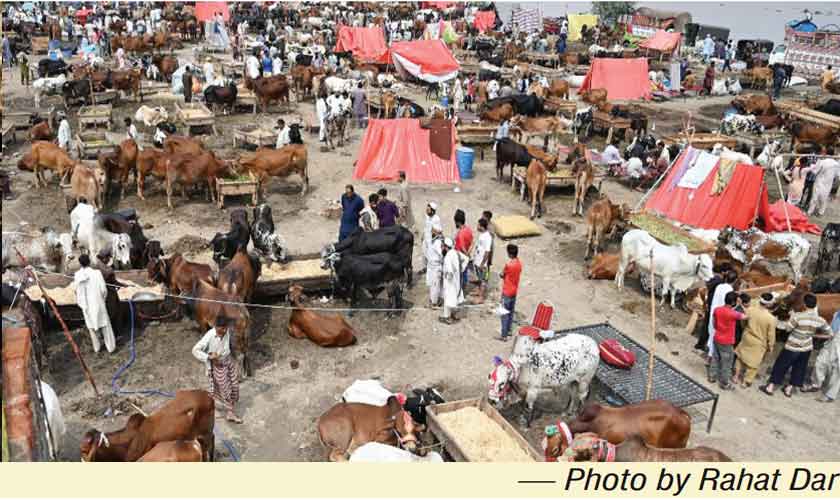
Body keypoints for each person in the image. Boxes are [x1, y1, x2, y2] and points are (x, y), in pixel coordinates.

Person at [762, 294, 832, 397]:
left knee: (781, 365)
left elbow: (788, 329)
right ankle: (789, 389)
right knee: (800, 368)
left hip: (792, 346)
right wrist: (814, 335)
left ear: (804, 304)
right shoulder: (820, 320)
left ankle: (770, 387)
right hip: (806, 347)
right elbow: (830, 334)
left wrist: (791, 317)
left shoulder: (798, 317)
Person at [192, 316, 243, 423]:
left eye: (225, 328)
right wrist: (208, 357)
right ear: (215, 327)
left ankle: (222, 405)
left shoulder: (226, 331)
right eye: (221, 329)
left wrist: (231, 357)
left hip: (228, 361)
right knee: (226, 390)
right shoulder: (209, 335)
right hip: (217, 366)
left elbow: (227, 347)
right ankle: (230, 413)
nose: (224, 331)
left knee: (235, 385)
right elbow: (195, 350)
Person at [74, 254, 116, 354]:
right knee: (105, 325)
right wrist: (102, 300)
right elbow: (103, 290)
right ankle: (111, 348)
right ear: (89, 262)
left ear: (80, 264)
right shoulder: (97, 273)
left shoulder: (77, 275)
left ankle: (97, 348)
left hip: (86, 305)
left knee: (91, 328)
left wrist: (82, 303)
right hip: (98, 303)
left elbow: (76, 291)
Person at [733, 294, 777, 388]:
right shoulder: (771, 318)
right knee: (753, 364)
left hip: (747, 336)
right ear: (769, 304)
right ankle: (746, 381)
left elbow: (743, 321)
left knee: (740, 357)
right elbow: (771, 335)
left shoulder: (750, 310)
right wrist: (771, 346)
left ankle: (736, 376)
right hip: (759, 342)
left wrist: (745, 329)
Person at [709, 292, 746, 390]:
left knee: (715, 358)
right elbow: (746, 316)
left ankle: (712, 376)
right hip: (727, 342)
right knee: (727, 363)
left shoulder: (717, 310)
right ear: (733, 302)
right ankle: (724, 383)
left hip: (717, 337)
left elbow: (714, 324)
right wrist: (741, 304)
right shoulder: (734, 314)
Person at [706, 269, 738, 379]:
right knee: (719, 347)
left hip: (714, 314)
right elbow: (729, 305)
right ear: (735, 280)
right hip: (723, 318)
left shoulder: (719, 286)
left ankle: (709, 360)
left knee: (712, 336)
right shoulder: (730, 291)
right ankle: (714, 366)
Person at [803, 311, 840, 402]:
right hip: (830, 342)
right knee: (820, 362)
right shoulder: (836, 314)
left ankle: (830, 395)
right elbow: (831, 331)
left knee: (837, 370)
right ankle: (815, 384)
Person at [440, 238, 466, 325]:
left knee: (448, 299)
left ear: (446, 247)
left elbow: (450, 271)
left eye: (443, 246)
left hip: (450, 282)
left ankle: (446, 317)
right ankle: (453, 315)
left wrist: (448, 278)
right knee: (454, 298)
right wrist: (460, 270)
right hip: (457, 280)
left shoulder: (448, 256)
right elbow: (465, 259)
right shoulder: (456, 252)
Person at [807, 149, 840, 217]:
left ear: (826, 153)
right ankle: (820, 212)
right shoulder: (836, 164)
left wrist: (812, 166)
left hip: (819, 182)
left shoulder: (822, 161)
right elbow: (837, 175)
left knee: (814, 197)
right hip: (828, 183)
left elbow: (815, 171)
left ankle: (810, 211)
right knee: (824, 198)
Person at [498, 244, 521, 341]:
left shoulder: (508, 265)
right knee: (511, 312)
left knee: (504, 313)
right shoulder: (519, 263)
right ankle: (509, 331)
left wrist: (501, 274)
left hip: (507, 291)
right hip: (514, 291)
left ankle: (503, 335)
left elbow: (502, 274)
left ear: (510, 254)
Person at [470, 218, 493, 304]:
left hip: (482, 263)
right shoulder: (482, 235)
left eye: (478, 225)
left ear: (482, 227)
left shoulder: (488, 237)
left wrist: (483, 263)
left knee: (483, 280)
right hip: (478, 261)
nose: (477, 226)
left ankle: (481, 297)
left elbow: (487, 252)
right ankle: (479, 291)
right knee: (479, 277)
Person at [426, 221, 444, 306]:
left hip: (436, 267)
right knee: (432, 284)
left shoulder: (438, 242)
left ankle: (434, 303)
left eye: (433, 230)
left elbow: (442, 254)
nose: (431, 231)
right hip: (430, 266)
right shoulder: (432, 240)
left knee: (435, 285)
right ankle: (433, 300)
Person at [453, 209, 473, 288]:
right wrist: (468, 254)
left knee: (459, 274)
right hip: (465, 256)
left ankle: (460, 289)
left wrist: (466, 254)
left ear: (458, 222)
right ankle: (463, 287)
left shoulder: (461, 233)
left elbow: (462, 247)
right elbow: (472, 243)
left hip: (459, 257)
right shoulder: (469, 229)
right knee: (464, 273)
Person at [421, 202, 441, 273]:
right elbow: (426, 227)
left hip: (431, 240)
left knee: (430, 255)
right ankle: (424, 268)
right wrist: (423, 235)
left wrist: (434, 232)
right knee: (424, 254)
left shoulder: (436, 219)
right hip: (426, 239)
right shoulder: (427, 217)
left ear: (432, 211)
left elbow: (439, 231)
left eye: (428, 210)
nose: (426, 211)